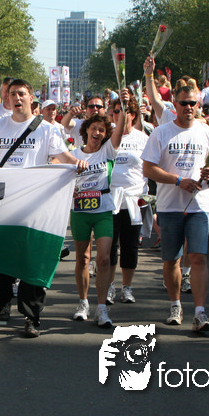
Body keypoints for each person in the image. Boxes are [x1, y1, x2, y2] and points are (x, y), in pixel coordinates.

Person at [0, 78, 87, 338]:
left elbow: (64, 157)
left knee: (32, 259)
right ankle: (1, 304)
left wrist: (76, 163)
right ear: (8, 98)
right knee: (1, 258)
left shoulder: (46, 130)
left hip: (35, 206)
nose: (17, 98)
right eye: (13, 94)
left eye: (21, 93)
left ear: (31, 98)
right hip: (2, 204)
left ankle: (32, 315)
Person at [142, 83, 209, 332]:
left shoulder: (205, 131)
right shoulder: (161, 132)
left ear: (198, 105)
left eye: (193, 103)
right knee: (172, 260)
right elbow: (148, 168)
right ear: (175, 105)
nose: (189, 107)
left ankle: (200, 312)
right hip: (170, 206)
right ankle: (175, 305)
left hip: (199, 205)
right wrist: (178, 180)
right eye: (184, 103)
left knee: (198, 257)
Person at [69, 107, 125, 329]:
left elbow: (119, 131)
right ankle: (83, 303)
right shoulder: (74, 154)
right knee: (83, 259)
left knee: (103, 259)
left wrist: (123, 107)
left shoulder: (108, 151)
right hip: (80, 212)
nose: (98, 133)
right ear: (86, 130)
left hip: (103, 212)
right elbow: (57, 169)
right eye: (94, 128)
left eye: (102, 130)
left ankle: (102, 308)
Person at [106, 93, 149, 306]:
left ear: (132, 115)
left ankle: (127, 287)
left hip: (133, 200)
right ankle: (109, 286)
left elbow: (150, 167)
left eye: (120, 111)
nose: (116, 115)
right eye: (114, 112)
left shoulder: (142, 139)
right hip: (111, 199)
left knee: (130, 246)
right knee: (109, 246)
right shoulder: (108, 136)